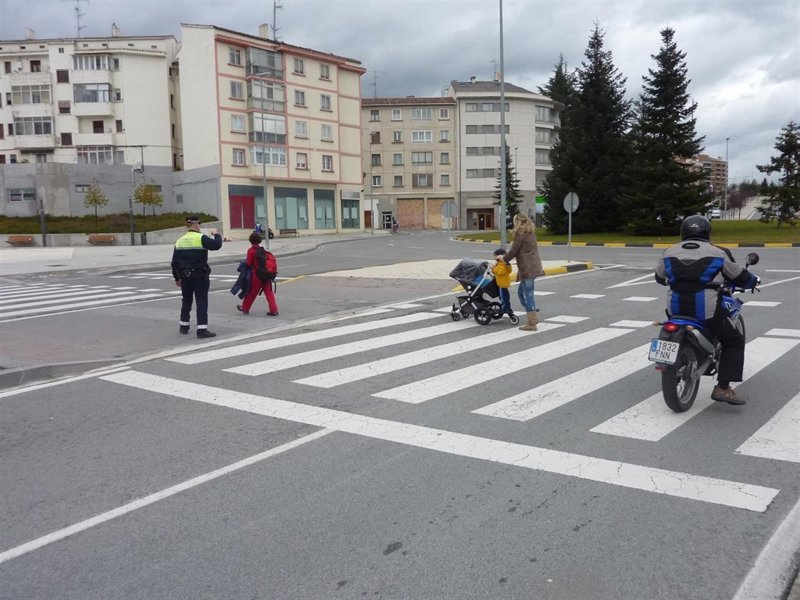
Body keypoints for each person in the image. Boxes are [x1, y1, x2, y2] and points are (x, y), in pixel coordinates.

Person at [654, 215, 759, 405]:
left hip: (675, 308)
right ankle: (723, 388)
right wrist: (752, 281)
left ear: (683, 232)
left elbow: (660, 278)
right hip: (706, 310)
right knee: (733, 341)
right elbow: (739, 276)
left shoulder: (668, 252)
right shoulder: (718, 253)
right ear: (707, 233)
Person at [171, 215, 223, 338]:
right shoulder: (201, 238)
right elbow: (216, 245)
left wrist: (177, 278)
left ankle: (184, 326)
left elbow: (174, 262)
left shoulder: (180, 240)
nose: (199, 227)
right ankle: (202, 329)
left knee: (186, 300)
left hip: (185, 276)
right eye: (199, 224)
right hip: (200, 275)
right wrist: (216, 234)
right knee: (201, 300)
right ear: (196, 224)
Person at [503, 213, 544, 331]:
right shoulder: (530, 231)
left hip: (527, 268)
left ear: (517, 222)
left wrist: (504, 259)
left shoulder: (520, 233)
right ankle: (533, 313)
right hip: (533, 267)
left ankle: (532, 323)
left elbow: (514, 250)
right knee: (521, 293)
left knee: (528, 295)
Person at [236, 232, 279, 316]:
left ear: (250, 241)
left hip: (257, 276)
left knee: (252, 293)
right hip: (266, 275)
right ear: (259, 240)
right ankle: (274, 310)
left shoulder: (251, 251)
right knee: (269, 293)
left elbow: (249, 263)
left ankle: (245, 308)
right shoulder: (262, 250)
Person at [492, 247, 514, 317]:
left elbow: (501, 272)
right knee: (503, 297)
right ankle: (506, 307)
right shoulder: (503, 263)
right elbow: (509, 270)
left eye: (495, 256)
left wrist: (493, 268)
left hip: (502, 284)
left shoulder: (502, 263)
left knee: (504, 297)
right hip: (502, 283)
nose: (494, 258)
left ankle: (505, 308)